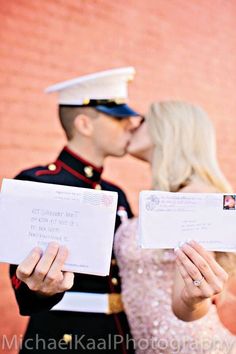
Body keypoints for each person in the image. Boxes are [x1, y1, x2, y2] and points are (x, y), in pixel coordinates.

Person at [10, 67, 142, 353]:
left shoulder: (115, 192)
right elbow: (21, 282)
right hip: (63, 338)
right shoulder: (37, 183)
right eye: (118, 117)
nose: (131, 124)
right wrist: (38, 288)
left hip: (118, 335)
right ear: (85, 124)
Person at [115, 101, 236, 353]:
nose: (134, 125)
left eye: (145, 120)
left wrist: (192, 300)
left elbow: (189, 304)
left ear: (168, 129)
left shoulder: (196, 197)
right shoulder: (171, 195)